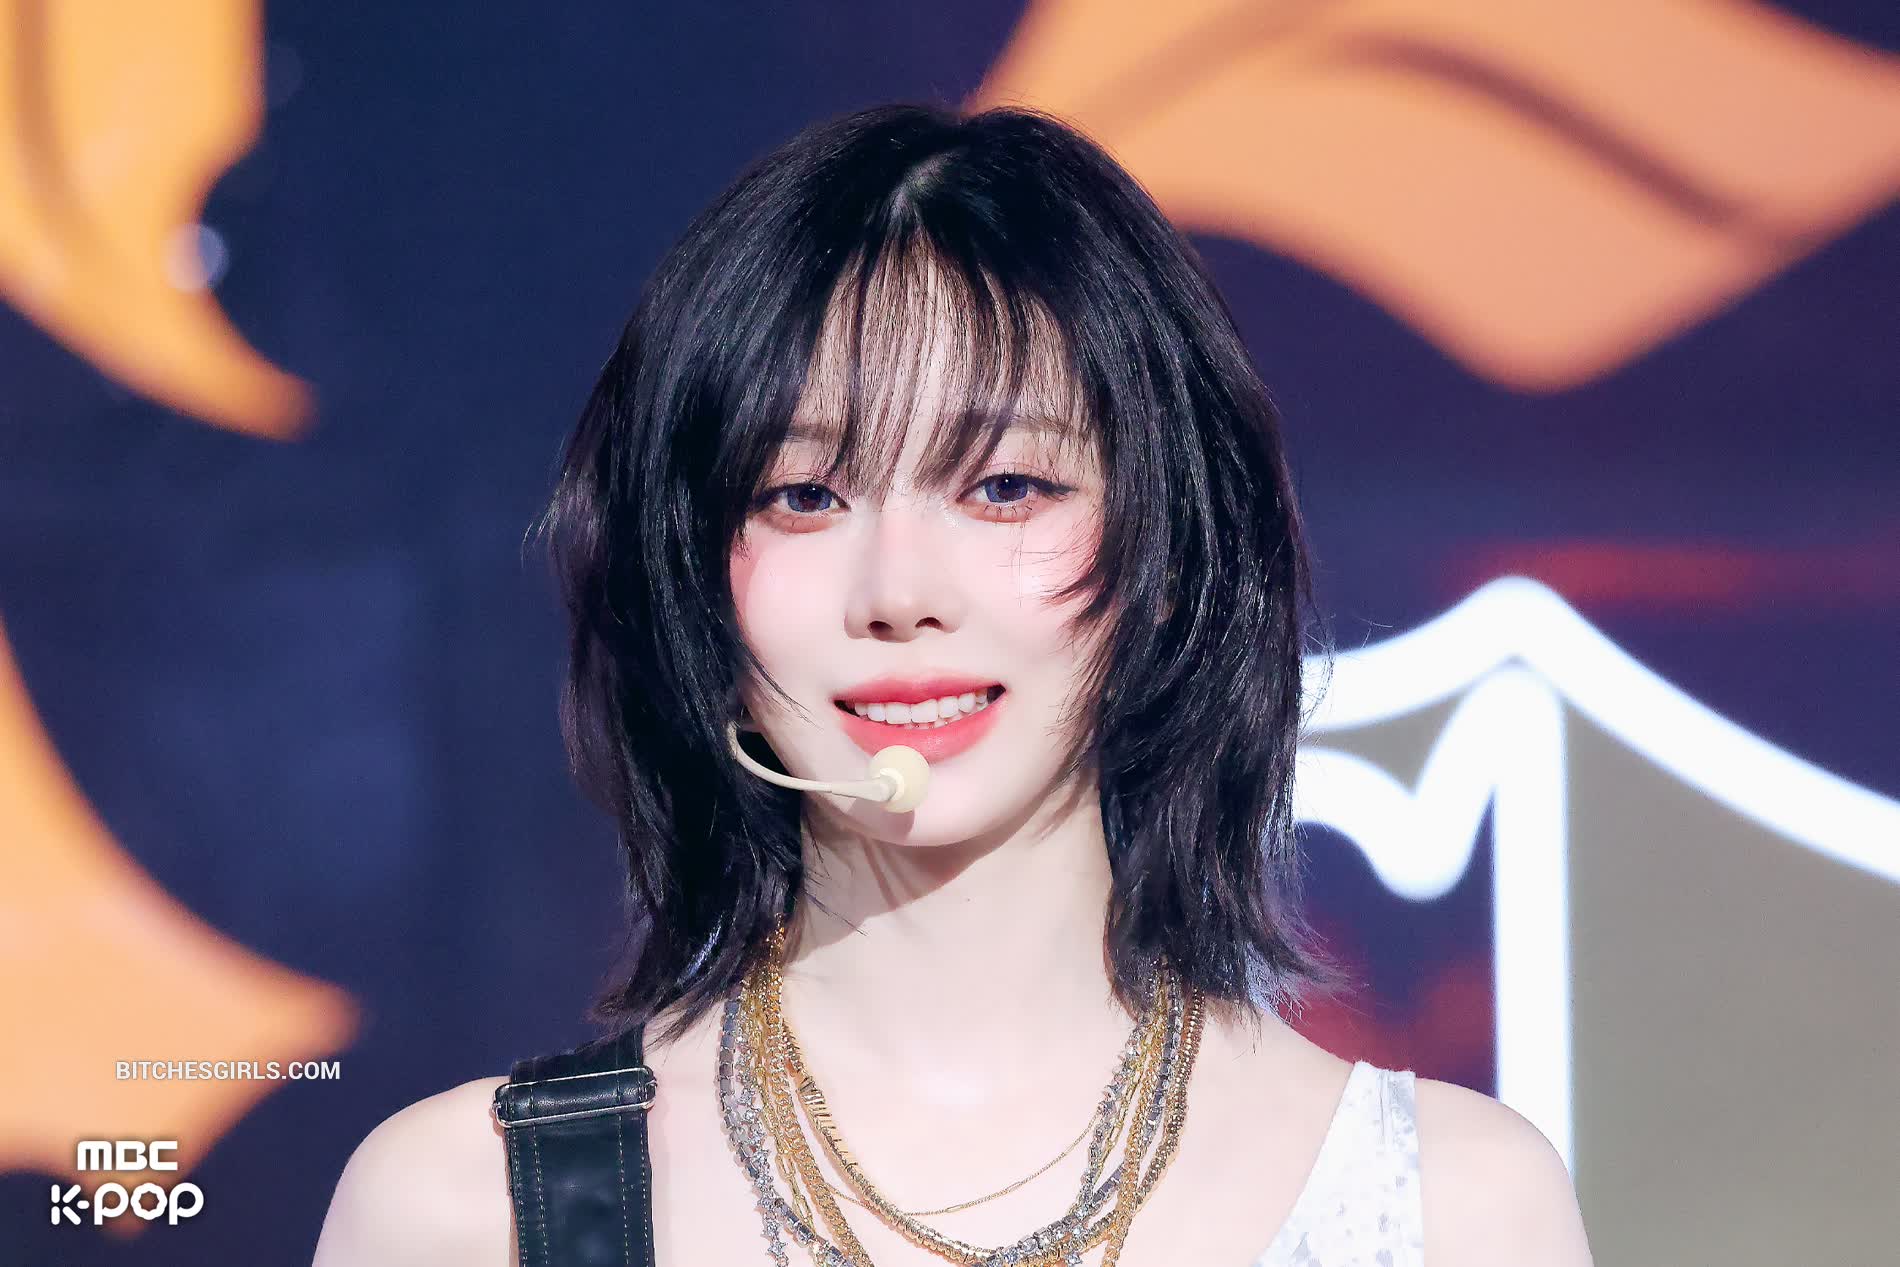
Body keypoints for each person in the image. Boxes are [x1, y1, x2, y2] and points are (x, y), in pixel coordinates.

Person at [313, 102, 1593, 1266]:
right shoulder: (469, 1210)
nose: (899, 590)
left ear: (1165, 550)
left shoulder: (1449, 1210)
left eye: (1003, 487)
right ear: (692, 575)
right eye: (802, 495)